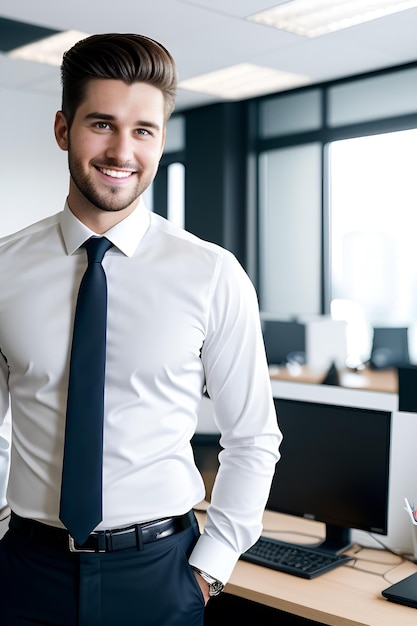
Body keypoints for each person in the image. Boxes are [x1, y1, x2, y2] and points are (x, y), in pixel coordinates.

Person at [0, 33, 282, 626]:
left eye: (143, 130)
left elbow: (253, 438)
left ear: (160, 138)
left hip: (159, 575)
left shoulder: (211, 274)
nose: (121, 150)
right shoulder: (4, 270)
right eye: (101, 124)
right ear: (62, 129)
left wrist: (212, 565)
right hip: (25, 573)